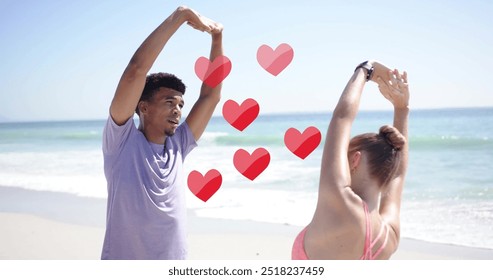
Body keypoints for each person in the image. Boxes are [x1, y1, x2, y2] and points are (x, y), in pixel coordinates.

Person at [101, 6, 224, 260]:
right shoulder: (121, 142)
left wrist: (217, 37)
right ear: (143, 107)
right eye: (169, 102)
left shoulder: (179, 145)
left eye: (180, 105)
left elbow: (210, 96)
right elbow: (136, 70)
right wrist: (180, 17)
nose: (178, 110)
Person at [292, 61, 410, 260]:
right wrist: (402, 108)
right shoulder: (389, 235)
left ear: (355, 160)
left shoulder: (340, 200)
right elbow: (398, 174)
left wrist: (364, 70)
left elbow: (342, 118)